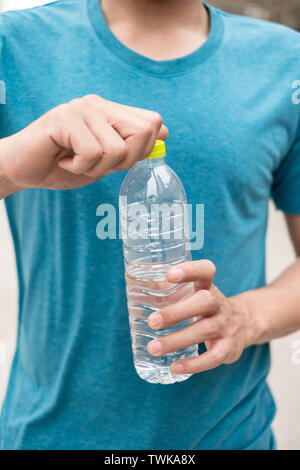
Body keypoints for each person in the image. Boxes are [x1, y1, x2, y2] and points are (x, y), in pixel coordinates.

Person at [0, 0, 299, 450]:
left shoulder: (286, 61)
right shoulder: (13, 44)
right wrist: (7, 166)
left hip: (230, 435)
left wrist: (246, 318)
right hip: (48, 435)